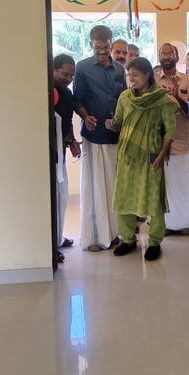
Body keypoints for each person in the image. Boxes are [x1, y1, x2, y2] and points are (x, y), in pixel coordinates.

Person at [105, 58, 176, 261]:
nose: (131, 79)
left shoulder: (163, 100)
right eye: (129, 75)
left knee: (153, 199)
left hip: (151, 156)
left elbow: (170, 131)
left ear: (147, 75)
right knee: (124, 196)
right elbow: (119, 122)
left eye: (135, 75)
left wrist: (161, 156)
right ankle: (128, 239)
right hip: (127, 155)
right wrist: (112, 125)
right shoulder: (125, 97)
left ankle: (154, 242)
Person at [73, 25, 126, 251]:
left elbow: (124, 98)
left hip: (115, 135)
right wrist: (86, 117)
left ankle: (113, 234)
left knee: (113, 186)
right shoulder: (82, 67)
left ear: (111, 44)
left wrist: (120, 121)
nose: (103, 52)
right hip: (93, 135)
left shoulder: (120, 69)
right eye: (98, 48)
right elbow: (77, 100)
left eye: (106, 48)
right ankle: (95, 237)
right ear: (91, 45)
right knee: (95, 188)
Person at [155, 43, 189, 235]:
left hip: (182, 139)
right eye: (163, 54)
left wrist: (177, 96)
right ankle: (169, 225)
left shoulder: (188, 80)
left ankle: (187, 223)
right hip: (159, 141)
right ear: (159, 57)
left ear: (177, 57)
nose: (166, 57)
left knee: (184, 182)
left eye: (170, 53)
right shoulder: (153, 80)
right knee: (165, 184)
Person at [53, 54, 81, 253]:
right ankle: (52, 243)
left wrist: (72, 141)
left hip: (61, 152)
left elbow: (67, 120)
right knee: (53, 197)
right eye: (64, 74)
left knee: (62, 196)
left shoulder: (67, 93)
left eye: (72, 76)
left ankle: (58, 237)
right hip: (48, 153)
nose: (68, 79)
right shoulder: (45, 91)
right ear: (53, 70)